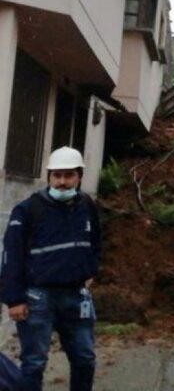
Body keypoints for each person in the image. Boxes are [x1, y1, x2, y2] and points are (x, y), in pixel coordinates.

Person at [1, 147, 101, 391]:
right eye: (57, 176)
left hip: (76, 297)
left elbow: (95, 242)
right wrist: (14, 300)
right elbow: (11, 256)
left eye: (69, 176)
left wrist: (90, 271)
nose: (63, 182)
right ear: (49, 177)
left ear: (79, 177)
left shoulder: (86, 205)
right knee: (34, 363)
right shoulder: (27, 211)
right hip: (38, 298)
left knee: (85, 359)